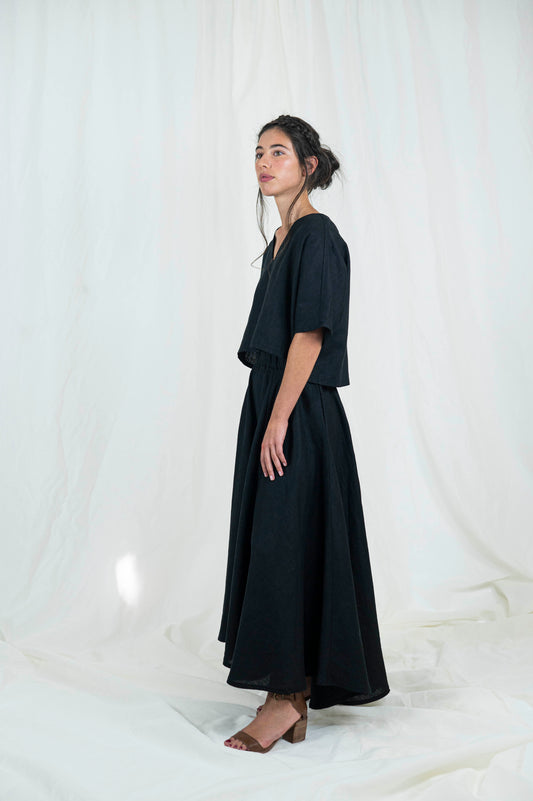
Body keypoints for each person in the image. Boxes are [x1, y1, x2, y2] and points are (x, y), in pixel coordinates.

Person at [218, 114, 390, 753]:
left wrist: (281, 417)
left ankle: (284, 699)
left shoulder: (317, 235)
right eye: (258, 152)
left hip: (299, 410)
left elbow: (310, 334)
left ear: (308, 165)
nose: (264, 162)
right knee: (280, 542)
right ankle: (292, 695)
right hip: (273, 401)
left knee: (287, 544)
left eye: (279, 152)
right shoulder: (281, 241)